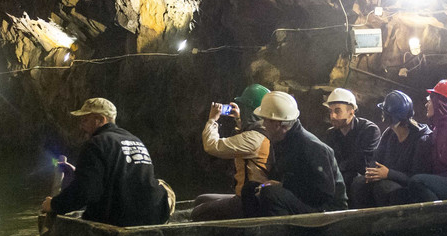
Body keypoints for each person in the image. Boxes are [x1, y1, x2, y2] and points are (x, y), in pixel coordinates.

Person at [42, 98, 170, 226]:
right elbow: (125, 177)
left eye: (85, 120)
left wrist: (54, 204)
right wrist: (80, 172)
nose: (81, 126)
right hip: (155, 215)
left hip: (120, 220)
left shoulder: (95, 143)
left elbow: (84, 192)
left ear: (101, 120)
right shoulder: (134, 139)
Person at [242, 91, 347, 216]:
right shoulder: (282, 141)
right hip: (305, 198)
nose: (263, 125)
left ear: (278, 124)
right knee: (250, 189)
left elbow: (323, 193)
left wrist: (284, 185)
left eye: (266, 120)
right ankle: (253, 231)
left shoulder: (312, 147)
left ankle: (278, 234)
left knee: (270, 193)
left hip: (327, 208)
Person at [190, 84, 272, 221]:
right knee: (201, 199)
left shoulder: (254, 138)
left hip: (250, 202)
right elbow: (247, 139)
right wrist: (239, 119)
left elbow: (212, 146)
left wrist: (212, 120)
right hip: (250, 195)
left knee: (198, 212)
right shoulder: (264, 131)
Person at [350, 90, 431, 208]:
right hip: (386, 178)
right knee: (359, 183)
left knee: (385, 188)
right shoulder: (390, 133)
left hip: (406, 187)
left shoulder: (422, 140)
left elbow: (417, 178)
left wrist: (389, 174)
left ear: (389, 116)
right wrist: (372, 172)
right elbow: (376, 158)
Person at [321, 88, 381, 199]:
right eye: (330, 111)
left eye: (337, 111)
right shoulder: (331, 134)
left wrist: (336, 169)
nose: (332, 116)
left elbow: (362, 163)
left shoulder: (369, 130)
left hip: (361, 180)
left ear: (351, 113)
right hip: (338, 175)